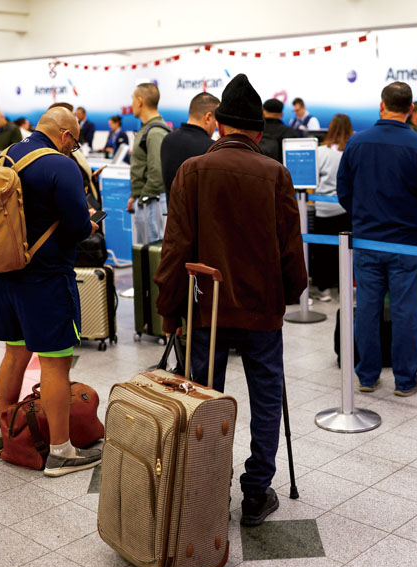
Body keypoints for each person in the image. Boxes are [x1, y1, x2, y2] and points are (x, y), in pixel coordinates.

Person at [155, 73, 306, 526]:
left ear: (218, 125)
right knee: (265, 399)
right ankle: (257, 492)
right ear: (258, 131)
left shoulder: (193, 170)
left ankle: (207, 486)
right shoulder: (276, 174)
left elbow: (176, 247)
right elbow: (290, 250)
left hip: (206, 306)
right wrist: (288, 296)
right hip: (261, 308)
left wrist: (169, 308)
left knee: (204, 396)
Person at [0, 106, 102, 476]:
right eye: (75, 141)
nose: (74, 148)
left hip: (6, 274)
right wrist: (88, 222)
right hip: (46, 278)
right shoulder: (61, 165)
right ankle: (60, 451)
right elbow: (74, 227)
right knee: (55, 362)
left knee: (15, 355)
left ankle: (5, 434)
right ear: (66, 135)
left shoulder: (3, 156)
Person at [337, 82, 417, 397]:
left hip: (367, 240)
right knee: (405, 310)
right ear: (412, 109)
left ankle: (367, 376)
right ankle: (405, 379)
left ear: (381, 105)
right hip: (408, 242)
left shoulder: (356, 143)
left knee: (367, 308)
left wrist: (361, 216)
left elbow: (344, 189)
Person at [310, 113, 353, 302]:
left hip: (324, 209)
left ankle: (323, 289)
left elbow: (312, 179)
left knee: (322, 252)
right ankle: (342, 285)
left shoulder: (321, 151)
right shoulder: (351, 151)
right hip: (345, 209)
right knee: (344, 250)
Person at [128, 83, 169, 242]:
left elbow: (157, 172)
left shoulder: (155, 132)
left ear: (140, 101)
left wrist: (143, 197)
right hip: (146, 200)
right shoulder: (147, 129)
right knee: (144, 252)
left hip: (152, 202)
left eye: (132, 100)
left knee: (153, 253)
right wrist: (135, 195)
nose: (131, 104)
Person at [160, 92, 219, 197]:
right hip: (199, 213)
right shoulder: (211, 148)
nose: (216, 126)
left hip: (172, 212)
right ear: (208, 117)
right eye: (216, 121)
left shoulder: (167, 140)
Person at [258, 98, 299, 163]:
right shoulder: (291, 133)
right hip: (282, 171)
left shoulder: (255, 132)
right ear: (281, 114)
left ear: (263, 112)